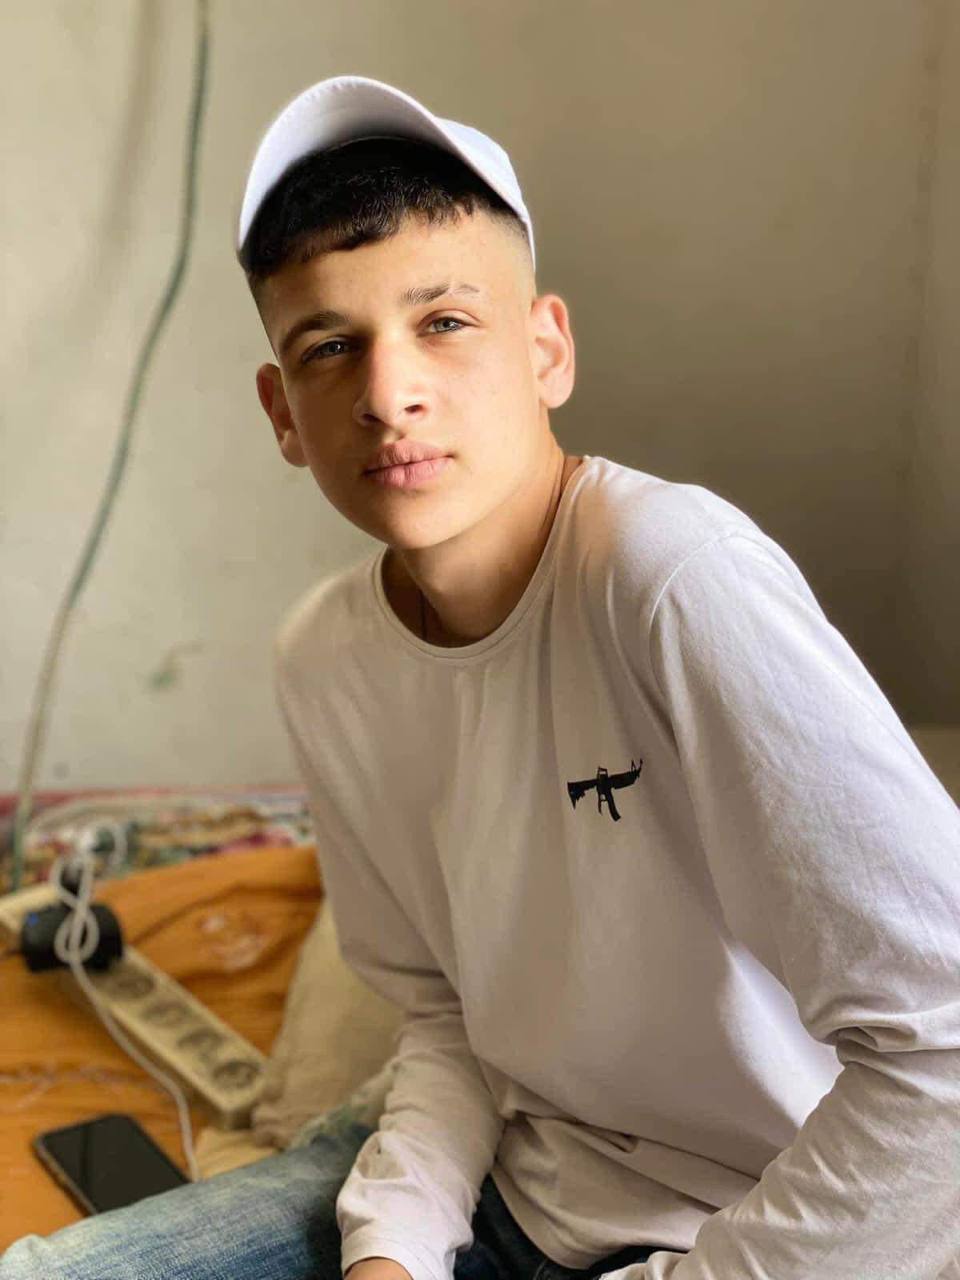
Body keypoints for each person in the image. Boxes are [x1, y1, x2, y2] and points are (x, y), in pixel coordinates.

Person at [3, 73, 959, 1280]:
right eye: (329, 347)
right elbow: (450, 1015)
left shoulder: (672, 577)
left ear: (547, 347)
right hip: (512, 1169)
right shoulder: (326, 658)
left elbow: (945, 1049)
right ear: (283, 411)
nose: (388, 393)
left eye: (445, 321)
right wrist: (392, 1249)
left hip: (783, 1219)